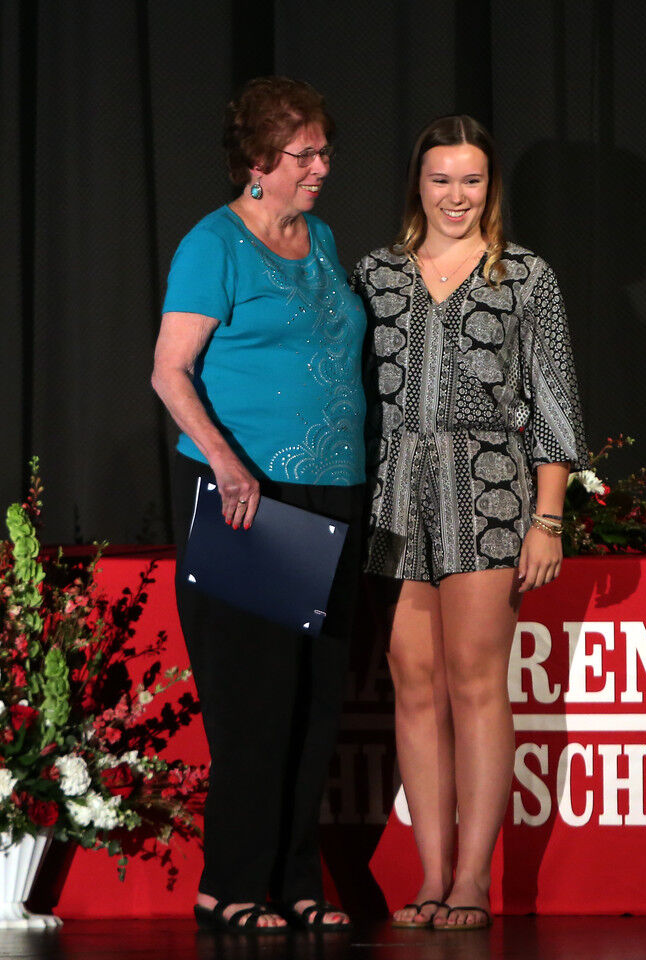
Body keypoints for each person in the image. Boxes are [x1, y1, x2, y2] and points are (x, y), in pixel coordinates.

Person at [351, 115, 588, 930]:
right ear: (417, 184)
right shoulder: (375, 273)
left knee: (477, 681)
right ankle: (431, 874)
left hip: (488, 490)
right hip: (390, 495)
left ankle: (473, 879)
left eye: (472, 180)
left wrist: (547, 518)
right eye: (441, 179)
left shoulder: (526, 276)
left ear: (492, 187)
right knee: (414, 684)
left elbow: (554, 402)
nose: (456, 196)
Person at [152, 76, 365, 932]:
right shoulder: (215, 244)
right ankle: (231, 884)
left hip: (334, 488)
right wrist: (226, 462)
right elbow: (170, 370)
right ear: (257, 161)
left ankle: (297, 879)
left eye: (324, 151)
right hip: (252, 494)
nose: (322, 167)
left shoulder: (322, 238)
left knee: (317, 697)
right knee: (256, 699)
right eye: (304, 155)